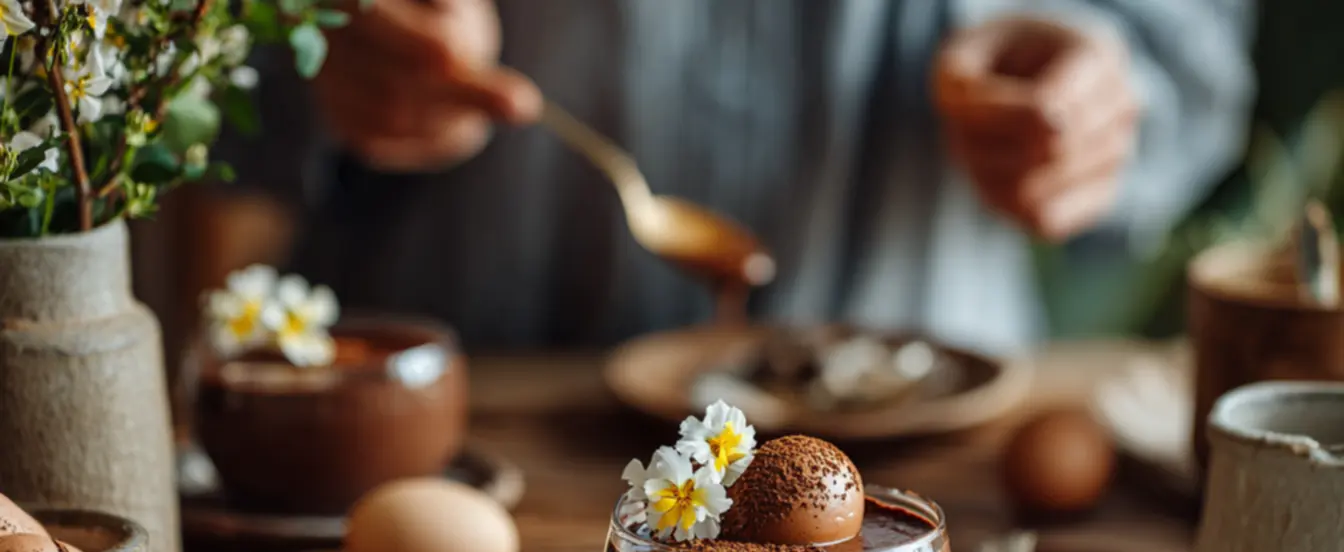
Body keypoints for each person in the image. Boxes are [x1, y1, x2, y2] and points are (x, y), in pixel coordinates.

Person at [203, 0, 1255, 353]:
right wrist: (309, 39)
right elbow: (179, 56)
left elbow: (1191, 56)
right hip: (468, 417)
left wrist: (1099, 94)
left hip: (921, 443)